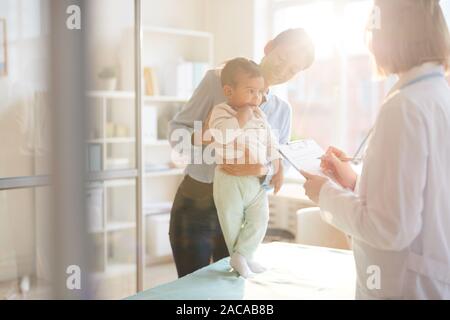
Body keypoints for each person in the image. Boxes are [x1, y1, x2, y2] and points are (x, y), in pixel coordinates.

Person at [302, 0, 450, 299]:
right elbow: (418, 198)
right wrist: (356, 183)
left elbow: (390, 229)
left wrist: (324, 194)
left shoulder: (404, 107)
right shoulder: (437, 95)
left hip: (404, 285)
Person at [168, 28, 315, 278]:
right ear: (268, 47)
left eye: (292, 70)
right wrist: (205, 135)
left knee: (233, 287)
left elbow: (280, 166)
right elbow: (176, 133)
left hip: (241, 214)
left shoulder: (282, 110)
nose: (282, 70)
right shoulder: (217, 81)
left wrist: (261, 170)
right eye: (282, 59)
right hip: (196, 208)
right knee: (193, 292)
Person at [209, 58, 282, 278]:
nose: (257, 97)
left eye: (260, 92)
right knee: (231, 220)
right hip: (229, 179)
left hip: (255, 181)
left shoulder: (260, 115)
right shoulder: (221, 111)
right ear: (229, 91)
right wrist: (241, 118)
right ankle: (239, 255)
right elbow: (220, 135)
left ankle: (245, 254)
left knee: (260, 218)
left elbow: (271, 143)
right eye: (250, 91)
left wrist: (277, 169)